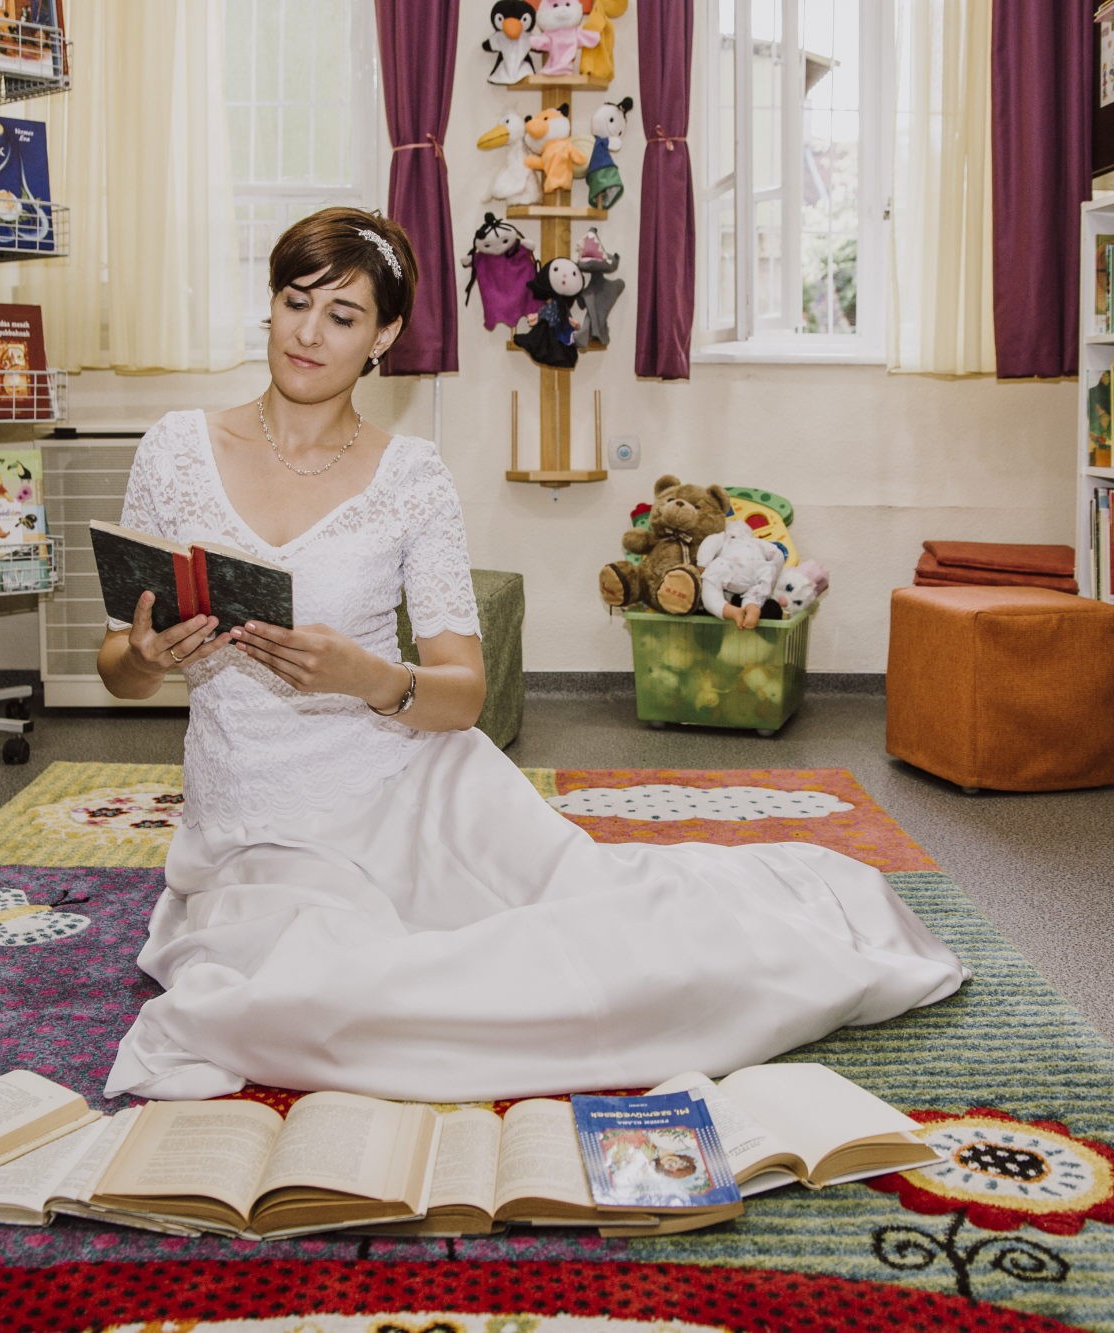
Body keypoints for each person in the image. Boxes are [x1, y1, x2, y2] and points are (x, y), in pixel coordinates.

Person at [98, 207, 966, 1104]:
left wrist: (369, 678)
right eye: (295, 301)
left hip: (413, 790)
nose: (308, 333)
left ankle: (794, 933)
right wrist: (148, 657)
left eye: (342, 315)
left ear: (383, 336)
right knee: (314, 1004)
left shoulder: (412, 476)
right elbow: (116, 664)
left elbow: (463, 692)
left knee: (610, 947)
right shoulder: (176, 451)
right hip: (257, 828)